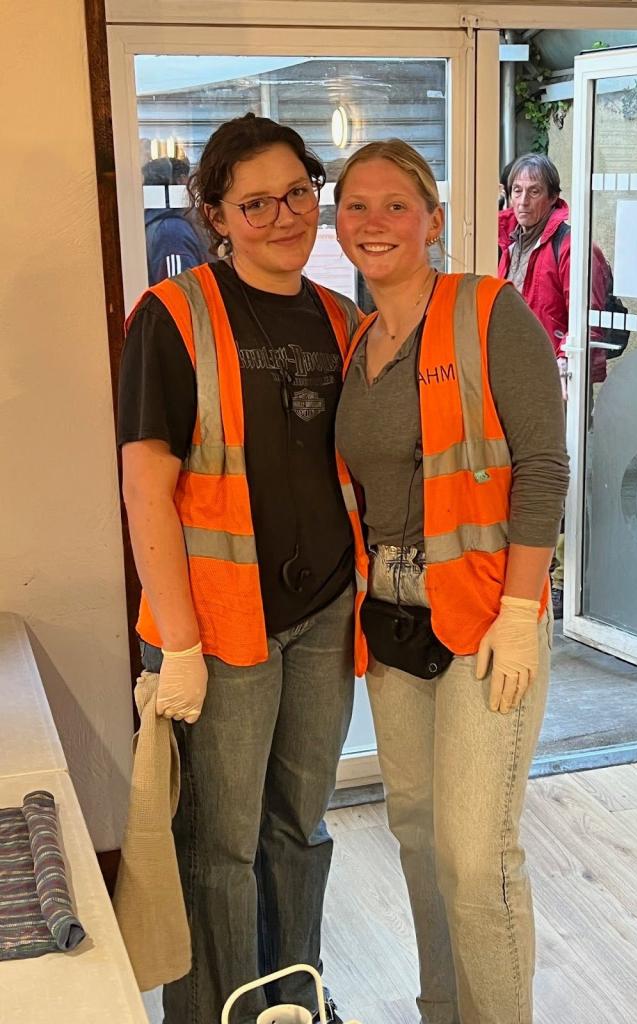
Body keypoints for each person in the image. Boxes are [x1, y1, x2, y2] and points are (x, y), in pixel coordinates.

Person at [118, 114, 369, 1024]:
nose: (283, 216)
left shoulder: (343, 319)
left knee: (299, 826)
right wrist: (175, 645)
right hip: (221, 629)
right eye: (254, 203)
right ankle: (221, 1010)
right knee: (219, 840)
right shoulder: (174, 315)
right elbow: (145, 486)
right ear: (216, 216)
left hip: (322, 613)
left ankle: (294, 996)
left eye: (297, 193)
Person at [334, 140, 569, 1024]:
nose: (375, 222)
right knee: (420, 836)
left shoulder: (488, 311)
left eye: (397, 205)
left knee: (477, 857)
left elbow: (544, 466)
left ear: (433, 219)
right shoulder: (361, 342)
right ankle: (446, 1009)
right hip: (394, 627)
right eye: (357, 206)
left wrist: (520, 613)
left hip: (481, 620)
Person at [498, 153, 610, 617]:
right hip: (518, 378)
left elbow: (590, 323)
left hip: (560, 381)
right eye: (516, 191)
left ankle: (566, 578)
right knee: (522, 474)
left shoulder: (572, 244)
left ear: (553, 195)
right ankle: (537, 566)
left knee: (559, 477)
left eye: (534, 191)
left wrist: (567, 374)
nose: (523, 200)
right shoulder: (510, 239)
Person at [142, 155, 210, 284]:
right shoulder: (171, 231)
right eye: (190, 179)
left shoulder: (164, 224)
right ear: (181, 180)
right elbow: (180, 292)